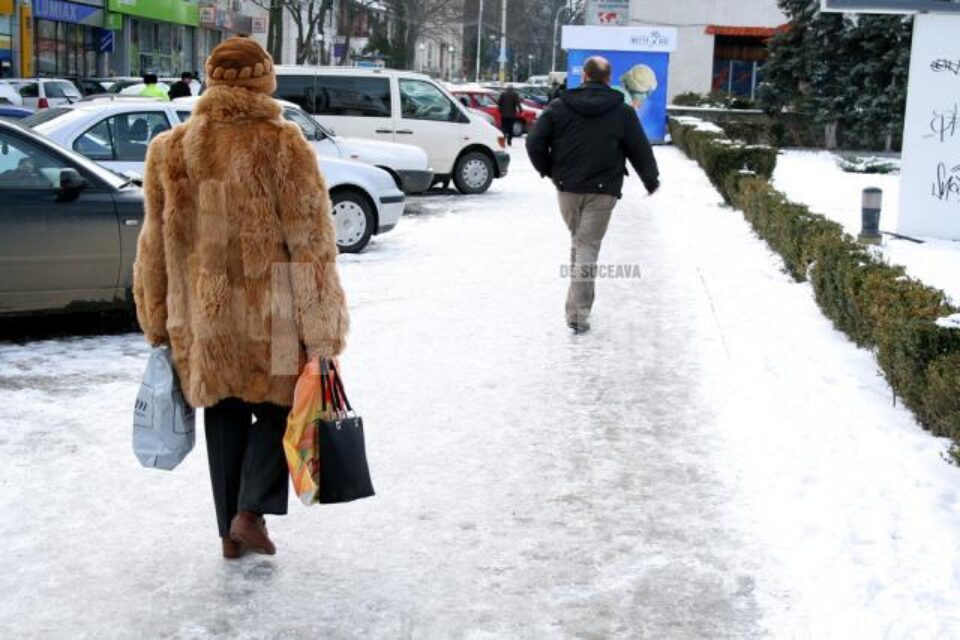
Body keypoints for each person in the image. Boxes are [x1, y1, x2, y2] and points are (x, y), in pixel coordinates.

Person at [133, 36, 349, 559]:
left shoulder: (170, 149)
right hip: (272, 311)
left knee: (224, 414)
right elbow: (311, 242)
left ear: (211, 80)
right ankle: (249, 512)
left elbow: (153, 246)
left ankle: (229, 535)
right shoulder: (284, 144)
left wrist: (156, 316)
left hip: (201, 314)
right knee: (282, 410)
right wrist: (322, 330)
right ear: (264, 80)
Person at [526, 56, 660, 334]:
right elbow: (639, 148)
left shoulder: (559, 106)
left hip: (568, 189)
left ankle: (575, 307)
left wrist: (549, 170)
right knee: (586, 246)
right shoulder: (622, 112)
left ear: (584, 76)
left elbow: (534, 141)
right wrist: (651, 180)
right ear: (608, 79)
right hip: (602, 192)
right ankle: (577, 315)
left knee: (580, 242)